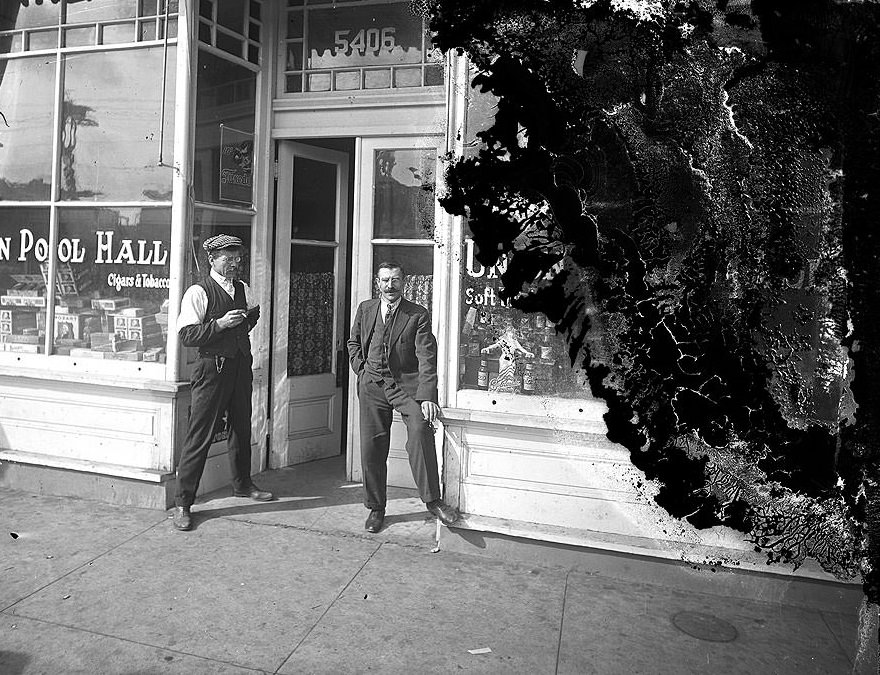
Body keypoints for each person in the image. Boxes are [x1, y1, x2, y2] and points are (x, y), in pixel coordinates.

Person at [348, 261, 459, 533]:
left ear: (403, 282)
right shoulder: (366, 309)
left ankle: (433, 500)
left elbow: (426, 356)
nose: (390, 285)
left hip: (405, 387)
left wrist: (427, 396)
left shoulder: (417, 314)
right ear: (377, 283)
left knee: (421, 430)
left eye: (395, 280)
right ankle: (376, 508)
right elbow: (353, 343)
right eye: (385, 280)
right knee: (372, 447)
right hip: (372, 385)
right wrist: (361, 371)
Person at [172, 234, 273, 531]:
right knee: (200, 434)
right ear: (212, 260)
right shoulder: (198, 292)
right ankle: (183, 503)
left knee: (242, 428)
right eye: (227, 259)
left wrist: (240, 324)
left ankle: (243, 485)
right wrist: (219, 325)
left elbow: (253, 315)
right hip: (211, 370)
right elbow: (187, 336)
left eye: (237, 258)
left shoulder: (244, 289)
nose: (234, 264)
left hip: (241, 365)